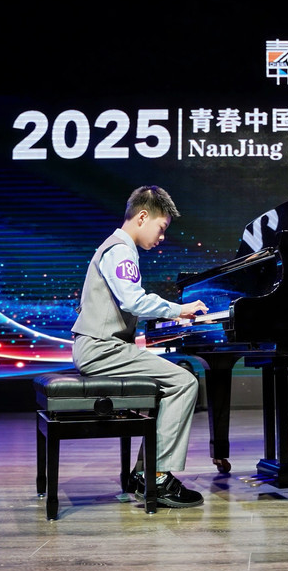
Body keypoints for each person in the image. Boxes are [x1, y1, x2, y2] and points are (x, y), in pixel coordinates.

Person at [71, 185, 209, 508]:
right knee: (184, 382)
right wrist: (179, 310)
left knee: (166, 385)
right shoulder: (120, 250)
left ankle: (143, 474)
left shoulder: (119, 248)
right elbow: (134, 301)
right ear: (143, 217)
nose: (162, 237)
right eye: (161, 227)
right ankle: (157, 476)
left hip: (103, 346)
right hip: (101, 350)